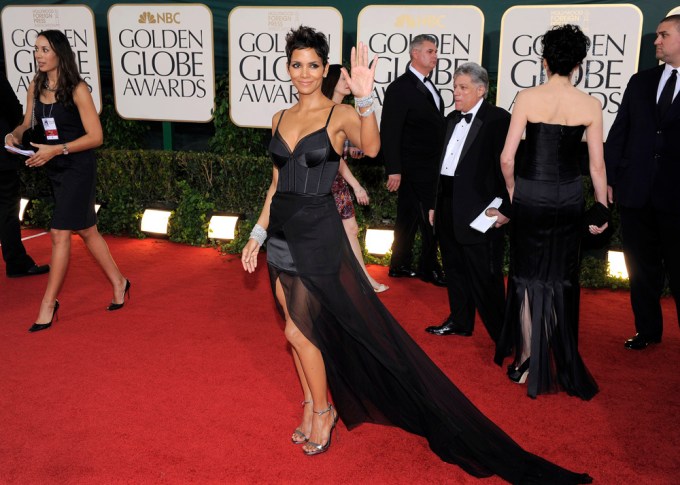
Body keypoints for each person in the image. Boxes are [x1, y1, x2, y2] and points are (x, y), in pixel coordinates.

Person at [241, 25, 592, 483]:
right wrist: (257, 234)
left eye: (312, 65)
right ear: (287, 69)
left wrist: (366, 100)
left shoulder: (340, 113)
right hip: (282, 237)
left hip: (318, 235)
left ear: (324, 69)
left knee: (300, 330)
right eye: (296, 64)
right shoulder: (279, 118)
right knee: (295, 332)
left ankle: (324, 411)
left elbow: (371, 147)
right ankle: (310, 401)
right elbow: (275, 185)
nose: (304, 72)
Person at [494, 25, 608, 400]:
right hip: (569, 197)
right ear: (578, 65)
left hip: (532, 193)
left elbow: (508, 157)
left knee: (527, 276)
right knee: (560, 277)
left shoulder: (528, 97)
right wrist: (601, 206)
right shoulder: (590, 105)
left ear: (544, 61)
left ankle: (527, 359)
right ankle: (556, 356)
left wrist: (514, 193)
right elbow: (596, 168)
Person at [5, 30, 129, 332]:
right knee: (87, 230)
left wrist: (56, 149)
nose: (38, 55)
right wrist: (16, 134)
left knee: (59, 233)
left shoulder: (77, 89)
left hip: (77, 166)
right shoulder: (35, 85)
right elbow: (28, 122)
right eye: (36, 49)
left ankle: (48, 303)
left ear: (60, 53)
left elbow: (96, 137)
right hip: (54, 166)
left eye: (45, 49)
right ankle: (119, 282)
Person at [605, 15, 680, 351]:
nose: (656, 41)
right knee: (640, 270)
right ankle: (647, 330)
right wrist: (608, 178)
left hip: (677, 198)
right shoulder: (640, 81)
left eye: (663, 35)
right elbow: (620, 132)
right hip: (636, 192)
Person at [425, 62, 510, 343]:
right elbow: (441, 166)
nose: (456, 92)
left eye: (462, 88)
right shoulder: (450, 119)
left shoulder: (499, 120)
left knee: (486, 276)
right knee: (454, 268)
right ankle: (460, 321)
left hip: (481, 210)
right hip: (448, 204)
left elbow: (509, 168)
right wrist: (435, 204)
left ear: (481, 89)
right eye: (454, 87)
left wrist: (506, 208)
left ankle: (504, 335)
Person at [380, 34, 446, 286]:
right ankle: (429, 268)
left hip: (428, 164)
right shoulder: (400, 87)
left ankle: (399, 264)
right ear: (415, 54)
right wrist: (394, 169)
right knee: (430, 216)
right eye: (430, 51)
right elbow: (390, 130)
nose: (435, 55)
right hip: (413, 166)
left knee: (407, 216)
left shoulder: (428, 84)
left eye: (436, 51)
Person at [321, 64, 388, 293]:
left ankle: (363, 280)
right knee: (323, 234)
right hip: (318, 181)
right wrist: (357, 186)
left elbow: (364, 146)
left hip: (335, 181)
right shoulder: (322, 110)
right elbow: (334, 157)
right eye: (343, 78)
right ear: (332, 81)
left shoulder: (346, 110)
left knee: (350, 229)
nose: (348, 81)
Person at [1, 73, 50, 278]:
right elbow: (12, 107)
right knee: (7, 211)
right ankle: (16, 263)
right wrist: (13, 133)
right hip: (2, 157)